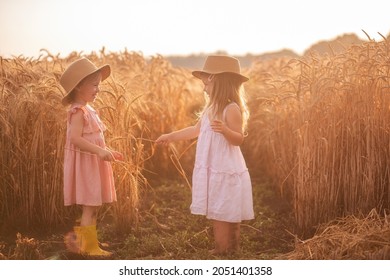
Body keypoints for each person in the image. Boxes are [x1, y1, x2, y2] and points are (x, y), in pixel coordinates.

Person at [156, 55, 254, 255]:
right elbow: (195, 130)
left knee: (225, 209)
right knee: (220, 207)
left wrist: (225, 130)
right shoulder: (210, 109)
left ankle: (224, 249)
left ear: (218, 82)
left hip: (225, 168)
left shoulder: (231, 109)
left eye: (206, 84)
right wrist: (170, 136)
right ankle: (227, 248)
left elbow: (239, 139)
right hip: (213, 166)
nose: (203, 89)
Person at [60, 57, 123, 256]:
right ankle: (88, 248)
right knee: (90, 207)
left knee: (93, 206)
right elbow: (75, 139)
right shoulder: (78, 112)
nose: (99, 89)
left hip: (93, 162)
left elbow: (94, 138)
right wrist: (99, 151)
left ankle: (89, 243)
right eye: (94, 85)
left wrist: (107, 150)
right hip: (86, 164)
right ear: (79, 87)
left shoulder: (89, 109)